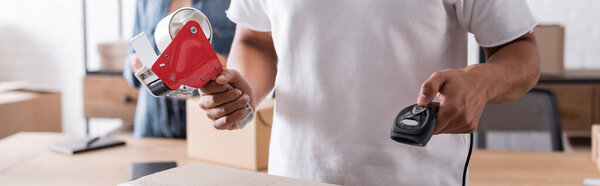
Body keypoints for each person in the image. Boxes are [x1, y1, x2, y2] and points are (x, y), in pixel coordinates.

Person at [197, 0, 540, 185]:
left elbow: (521, 51)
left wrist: (480, 81)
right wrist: (244, 92)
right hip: (296, 176)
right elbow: (256, 39)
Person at [124, 0, 235, 138]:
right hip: (152, 121)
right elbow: (129, 59)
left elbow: (252, 51)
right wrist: (133, 63)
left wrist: (221, 64)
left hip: (207, 119)